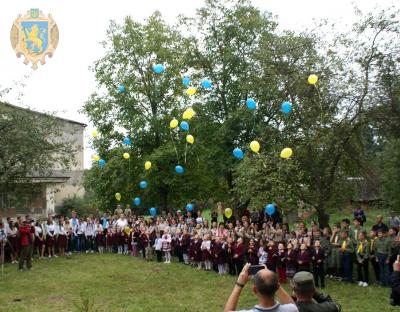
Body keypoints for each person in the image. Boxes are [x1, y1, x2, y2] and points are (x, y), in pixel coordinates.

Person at [224, 263, 298, 312]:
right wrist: (271, 277)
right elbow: (293, 305)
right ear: (277, 286)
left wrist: (239, 284)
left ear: (254, 289)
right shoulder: (290, 310)